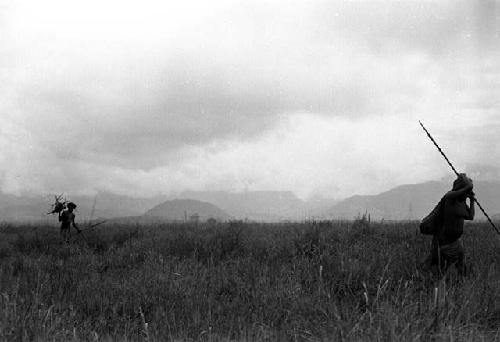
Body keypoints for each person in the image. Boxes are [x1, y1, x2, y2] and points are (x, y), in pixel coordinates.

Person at [427, 173, 475, 276]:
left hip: (455, 242)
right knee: (441, 270)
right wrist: (467, 184)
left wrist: (471, 201)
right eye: (466, 192)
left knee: (459, 268)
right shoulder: (450, 198)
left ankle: (460, 285)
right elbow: (463, 189)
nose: (467, 194)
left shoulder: (461, 203)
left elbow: (470, 216)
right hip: (444, 243)